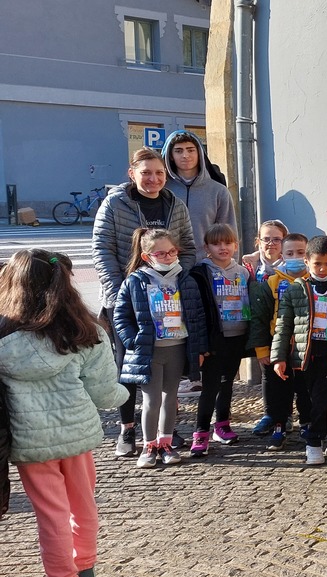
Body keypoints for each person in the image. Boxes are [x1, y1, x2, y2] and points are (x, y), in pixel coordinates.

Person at [0, 249, 128, 577]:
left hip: (31, 441)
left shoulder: (3, 338)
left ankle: (60, 573)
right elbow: (104, 393)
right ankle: (86, 568)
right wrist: (124, 394)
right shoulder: (84, 330)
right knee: (84, 507)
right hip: (77, 435)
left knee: (51, 516)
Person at [92, 148, 196, 457]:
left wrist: (176, 280)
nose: (153, 179)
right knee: (128, 365)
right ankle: (127, 428)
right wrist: (120, 293)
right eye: (146, 173)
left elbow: (188, 247)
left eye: (159, 173)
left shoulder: (175, 204)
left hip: (167, 300)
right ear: (132, 174)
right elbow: (102, 249)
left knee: (167, 369)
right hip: (126, 298)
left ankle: (166, 431)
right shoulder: (115, 203)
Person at [113, 229, 208, 468]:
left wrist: (200, 348)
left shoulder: (185, 279)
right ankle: (149, 445)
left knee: (170, 397)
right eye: (161, 253)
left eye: (172, 251)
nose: (168, 257)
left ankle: (165, 443)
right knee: (151, 399)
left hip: (177, 347)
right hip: (149, 350)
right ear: (147, 257)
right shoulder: (135, 281)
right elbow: (121, 316)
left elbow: (197, 316)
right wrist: (134, 341)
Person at [271, 236, 327, 466]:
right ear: (307, 261)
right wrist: (278, 357)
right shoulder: (296, 289)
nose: (323, 269)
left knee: (323, 398)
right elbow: (283, 325)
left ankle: (313, 442)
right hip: (305, 354)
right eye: (317, 264)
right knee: (317, 399)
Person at [187, 224, 254, 457]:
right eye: (216, 244)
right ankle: (201, 432)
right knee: (210, 386)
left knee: (228, 383)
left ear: (236, 245)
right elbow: (197, 309)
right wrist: (201, 342)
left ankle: (222, 424)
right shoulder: (200, 272)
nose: (223, 247)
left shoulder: (243, 272)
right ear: (207, 247)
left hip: (238, 335)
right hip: (215, 337)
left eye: (227, 243)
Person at [249, 233, 312, 450]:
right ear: (282, 256)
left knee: (305, 388)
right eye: (290, 253)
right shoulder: (271, 283)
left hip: (305, 345)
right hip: (279, 345)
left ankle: (307, 424)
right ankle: (279, 426)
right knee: (279, 390)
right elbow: (260, 318)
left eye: (300, 253)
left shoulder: (313, 281)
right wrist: (262, 350)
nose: (295, 257)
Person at [160, 130, 236, 262]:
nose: (185, 155)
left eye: (191, 150)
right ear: (170, 156)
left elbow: (229, 233)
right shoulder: (161, 189)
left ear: (199, 153)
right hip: (167, 263)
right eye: (179, 151)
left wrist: (230, 267)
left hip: (206, 265)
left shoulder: (218, 191)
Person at [243, 219, 289, 435]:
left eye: (277, 239)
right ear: (258, 242)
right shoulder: (250, 268)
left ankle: (286, 416)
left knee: (288, 374)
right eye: (266, 239)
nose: (271, 244)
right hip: (262, 327)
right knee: (268, 373)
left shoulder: (292, 266)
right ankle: (270, 414)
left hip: (286, 328)